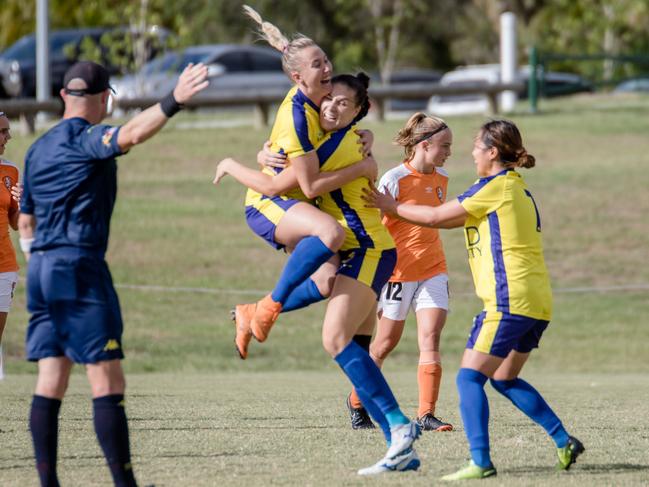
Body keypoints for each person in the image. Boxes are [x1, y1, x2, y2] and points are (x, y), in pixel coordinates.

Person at [217, 72, 422, 475]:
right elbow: (291, 161)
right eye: (329, 98)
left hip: (366, 249)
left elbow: (284, 184)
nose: (331, 106)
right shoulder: (335, 139)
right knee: (355, 352)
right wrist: (267, 151)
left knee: (334, 338)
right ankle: (399, 450)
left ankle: (399, 425)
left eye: (344, 103)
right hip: (365, 251)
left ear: (359, 112)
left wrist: (233, 163)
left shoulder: (339, 144)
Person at [18, 60, 208, 487]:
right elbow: (134, 133)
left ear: (65, 96)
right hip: (78, 266)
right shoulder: (86, 140)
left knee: (52, 377)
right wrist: (174, 99)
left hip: (42, 271)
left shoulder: (36, 149)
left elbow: (25, 224)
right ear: (105, 97)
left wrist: (43, 264)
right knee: (105, 375)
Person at [363, 119, 584, 480]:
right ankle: (563, 440)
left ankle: (480, 462)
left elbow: (435, 217)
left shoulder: (495, 187)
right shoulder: (516, 187)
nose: (469, 153)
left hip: (508, 300)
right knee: (504, 378)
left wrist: (391, 205)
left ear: (492, 152)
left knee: (468, 379)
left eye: (476, 148)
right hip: (537, 301)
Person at [226, 5, 377, 360]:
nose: (327, 68)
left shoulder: (322, 96)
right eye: (317, 65)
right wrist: (361, 167)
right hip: (270, 204)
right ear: (297, 77)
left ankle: (254, 311)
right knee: (331, 234)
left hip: (298, 205)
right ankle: (271, 306)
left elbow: (346, 117)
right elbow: (307, 186)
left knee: (326, 282)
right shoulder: (297, 114)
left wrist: (364, 132)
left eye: (325, 60)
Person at [346, 113, 454, 432]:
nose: (449, 152)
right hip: (396, 272)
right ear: (424, 145)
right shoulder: (393, 179)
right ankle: (356, 401)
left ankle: (427, 413)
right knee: (384, 344)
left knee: (430, 337)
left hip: (434, 268)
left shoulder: (442, 177)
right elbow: (375, 223)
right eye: (444, 145)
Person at [0, 112, 22, 381]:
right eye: (3, 131)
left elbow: (16, 222)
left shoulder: (11, 171)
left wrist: (24, 205)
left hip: (4, 265)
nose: (8, 137)